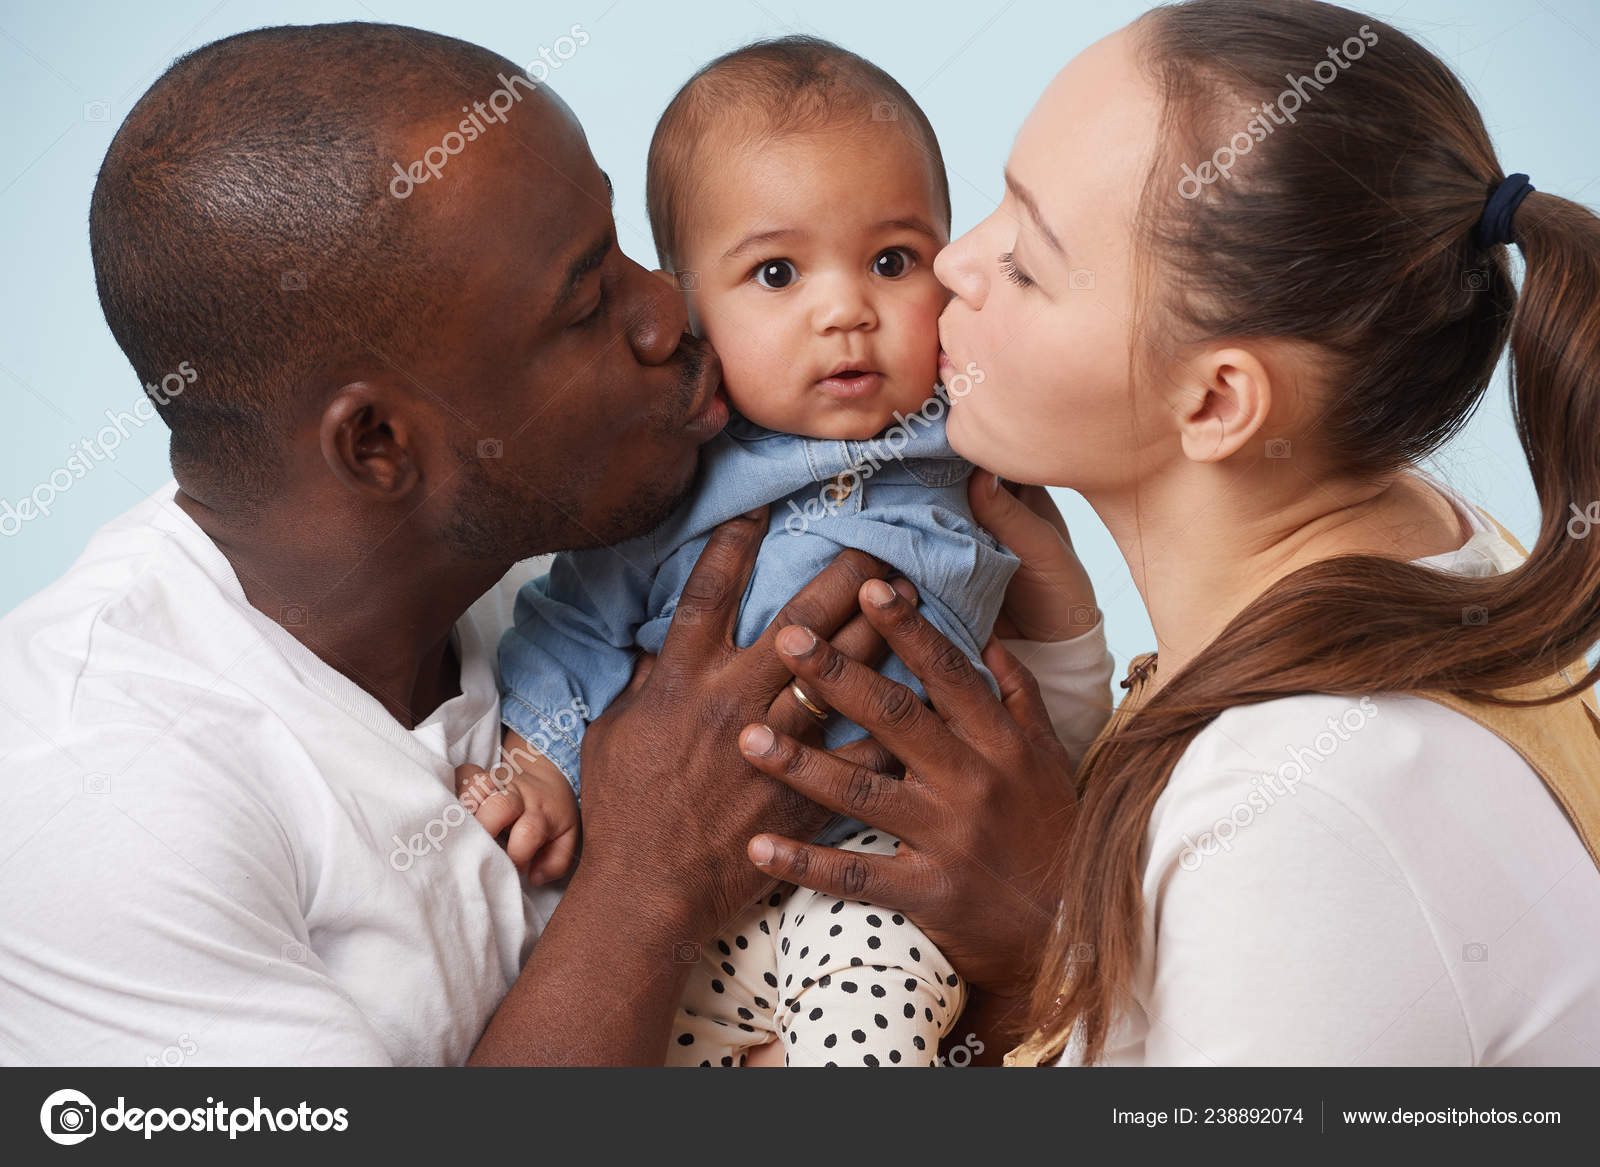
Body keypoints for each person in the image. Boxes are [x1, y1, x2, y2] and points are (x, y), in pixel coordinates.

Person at [0, 21, 1100, 1066]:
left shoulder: (577, 532)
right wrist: (652, 875)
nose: (671, 311)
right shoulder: (93, 793)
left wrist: (1030, 938)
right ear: (380, 444)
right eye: (588, 304)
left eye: (626, 248)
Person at [730, 0, 1600, 1065]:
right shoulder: (1434, 542)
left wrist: (1053, 950)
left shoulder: (1303, 820)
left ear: (1217, 405)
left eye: (1028, 265)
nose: (955, 262)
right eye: (1001, 204)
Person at [481, 36, 1111, 1068]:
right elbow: (574, 618)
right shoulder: (677, 475)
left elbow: (1037, 692)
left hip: (886, 866)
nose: (844, 310)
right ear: (687, 305)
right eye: (776, 272)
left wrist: (1070, 656)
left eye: (892, 261)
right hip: (663, 877)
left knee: (871, 1031)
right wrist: (538, 756)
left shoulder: (974, 442)